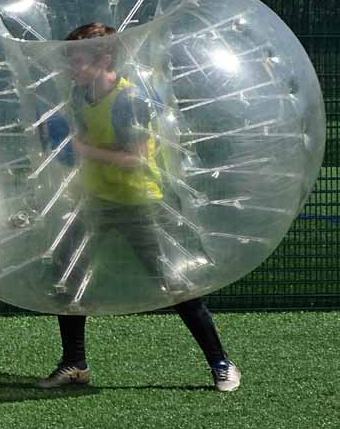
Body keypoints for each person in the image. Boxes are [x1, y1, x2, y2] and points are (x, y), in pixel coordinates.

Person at [37, 22, 241, 392]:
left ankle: (221, 362)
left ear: (105, 59)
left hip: (139, 201)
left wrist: (79, 150)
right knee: (69, 273)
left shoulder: (129, 102)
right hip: (97, 199)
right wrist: (57, 141)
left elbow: (135, 159)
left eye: (77, 60)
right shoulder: (80, 95)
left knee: (174, 284)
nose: (71, 68)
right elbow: (79, 147)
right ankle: (75, 363)